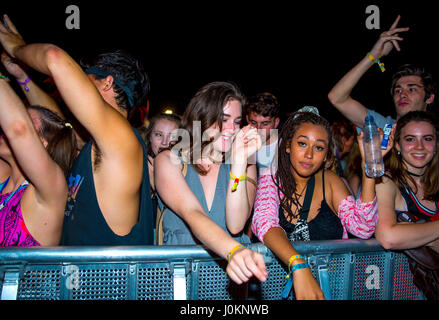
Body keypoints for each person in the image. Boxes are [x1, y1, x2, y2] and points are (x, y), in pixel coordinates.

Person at [0, 14, 154, 245]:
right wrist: (23, 77)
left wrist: (17, 48)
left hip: (107, 281)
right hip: (79, 279)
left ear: (107, 82)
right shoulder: (97, 145)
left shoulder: (122, 140)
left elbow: (54, 57)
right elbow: (57, 121)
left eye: (86, 77)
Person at [251, 110, 392, 299]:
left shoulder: (331, 182)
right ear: (287, 146)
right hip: (278, 289)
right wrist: (298, 264)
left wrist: (369, 167)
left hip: (333, 287)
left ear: (326, 155)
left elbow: (363, 227)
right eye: (302, 144)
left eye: (318, 148)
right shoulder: (272, 179)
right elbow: (264, 222)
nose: (309, 154)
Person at [154, 81, 268, 285]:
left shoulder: (246, 163)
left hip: (231, 281)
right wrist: (233, 250)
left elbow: (235, 225)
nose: (231, 129)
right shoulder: (169, 160)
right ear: (202, 117)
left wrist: (240, 163)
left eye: (237, 121)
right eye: (223, 120)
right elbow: (193, 213)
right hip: (181, 279)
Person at [327, 15, 439, 179]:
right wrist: (374, 56)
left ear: (429, 98)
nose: (402, 94)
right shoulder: (381, 126)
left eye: (412, 89)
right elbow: (337, 97)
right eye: (398, 90)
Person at [0, 72, 77, 247]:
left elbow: (18, 129)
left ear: (42, 144)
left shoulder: (50, 188)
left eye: (29, 121)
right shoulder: (4, 180)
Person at [374, 111, 439, 255]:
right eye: (410, 139)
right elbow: (388, 237)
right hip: (395, 276)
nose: (419, 146)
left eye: (427, 139)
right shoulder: (384, 182)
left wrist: (423, 237)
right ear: (397, 145)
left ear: (436, 145)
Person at [245, 92, 281, 175]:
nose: (258, 129)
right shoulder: (240, 146)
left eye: (265, 123)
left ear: (276, 122)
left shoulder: (286, 147)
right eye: (253, 122)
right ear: (247, 119)